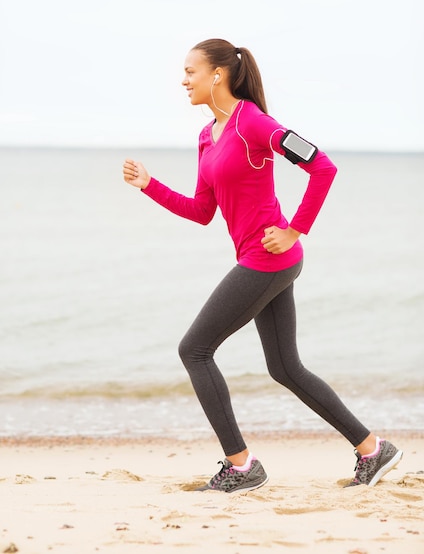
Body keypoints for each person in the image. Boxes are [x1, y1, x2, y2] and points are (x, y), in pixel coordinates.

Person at [122, 38, 403, 493]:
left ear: (218, 74)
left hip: (268, 259)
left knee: (193, 350)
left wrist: (294, 229)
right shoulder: (206, 135)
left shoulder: (253, 122)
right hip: (265, 261)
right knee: (285, 367)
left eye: (191, 71)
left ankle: (241, 465)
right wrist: (149, 185)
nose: (183, 79)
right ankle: (373, 449)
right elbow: (201, 210)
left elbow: (323, 167)